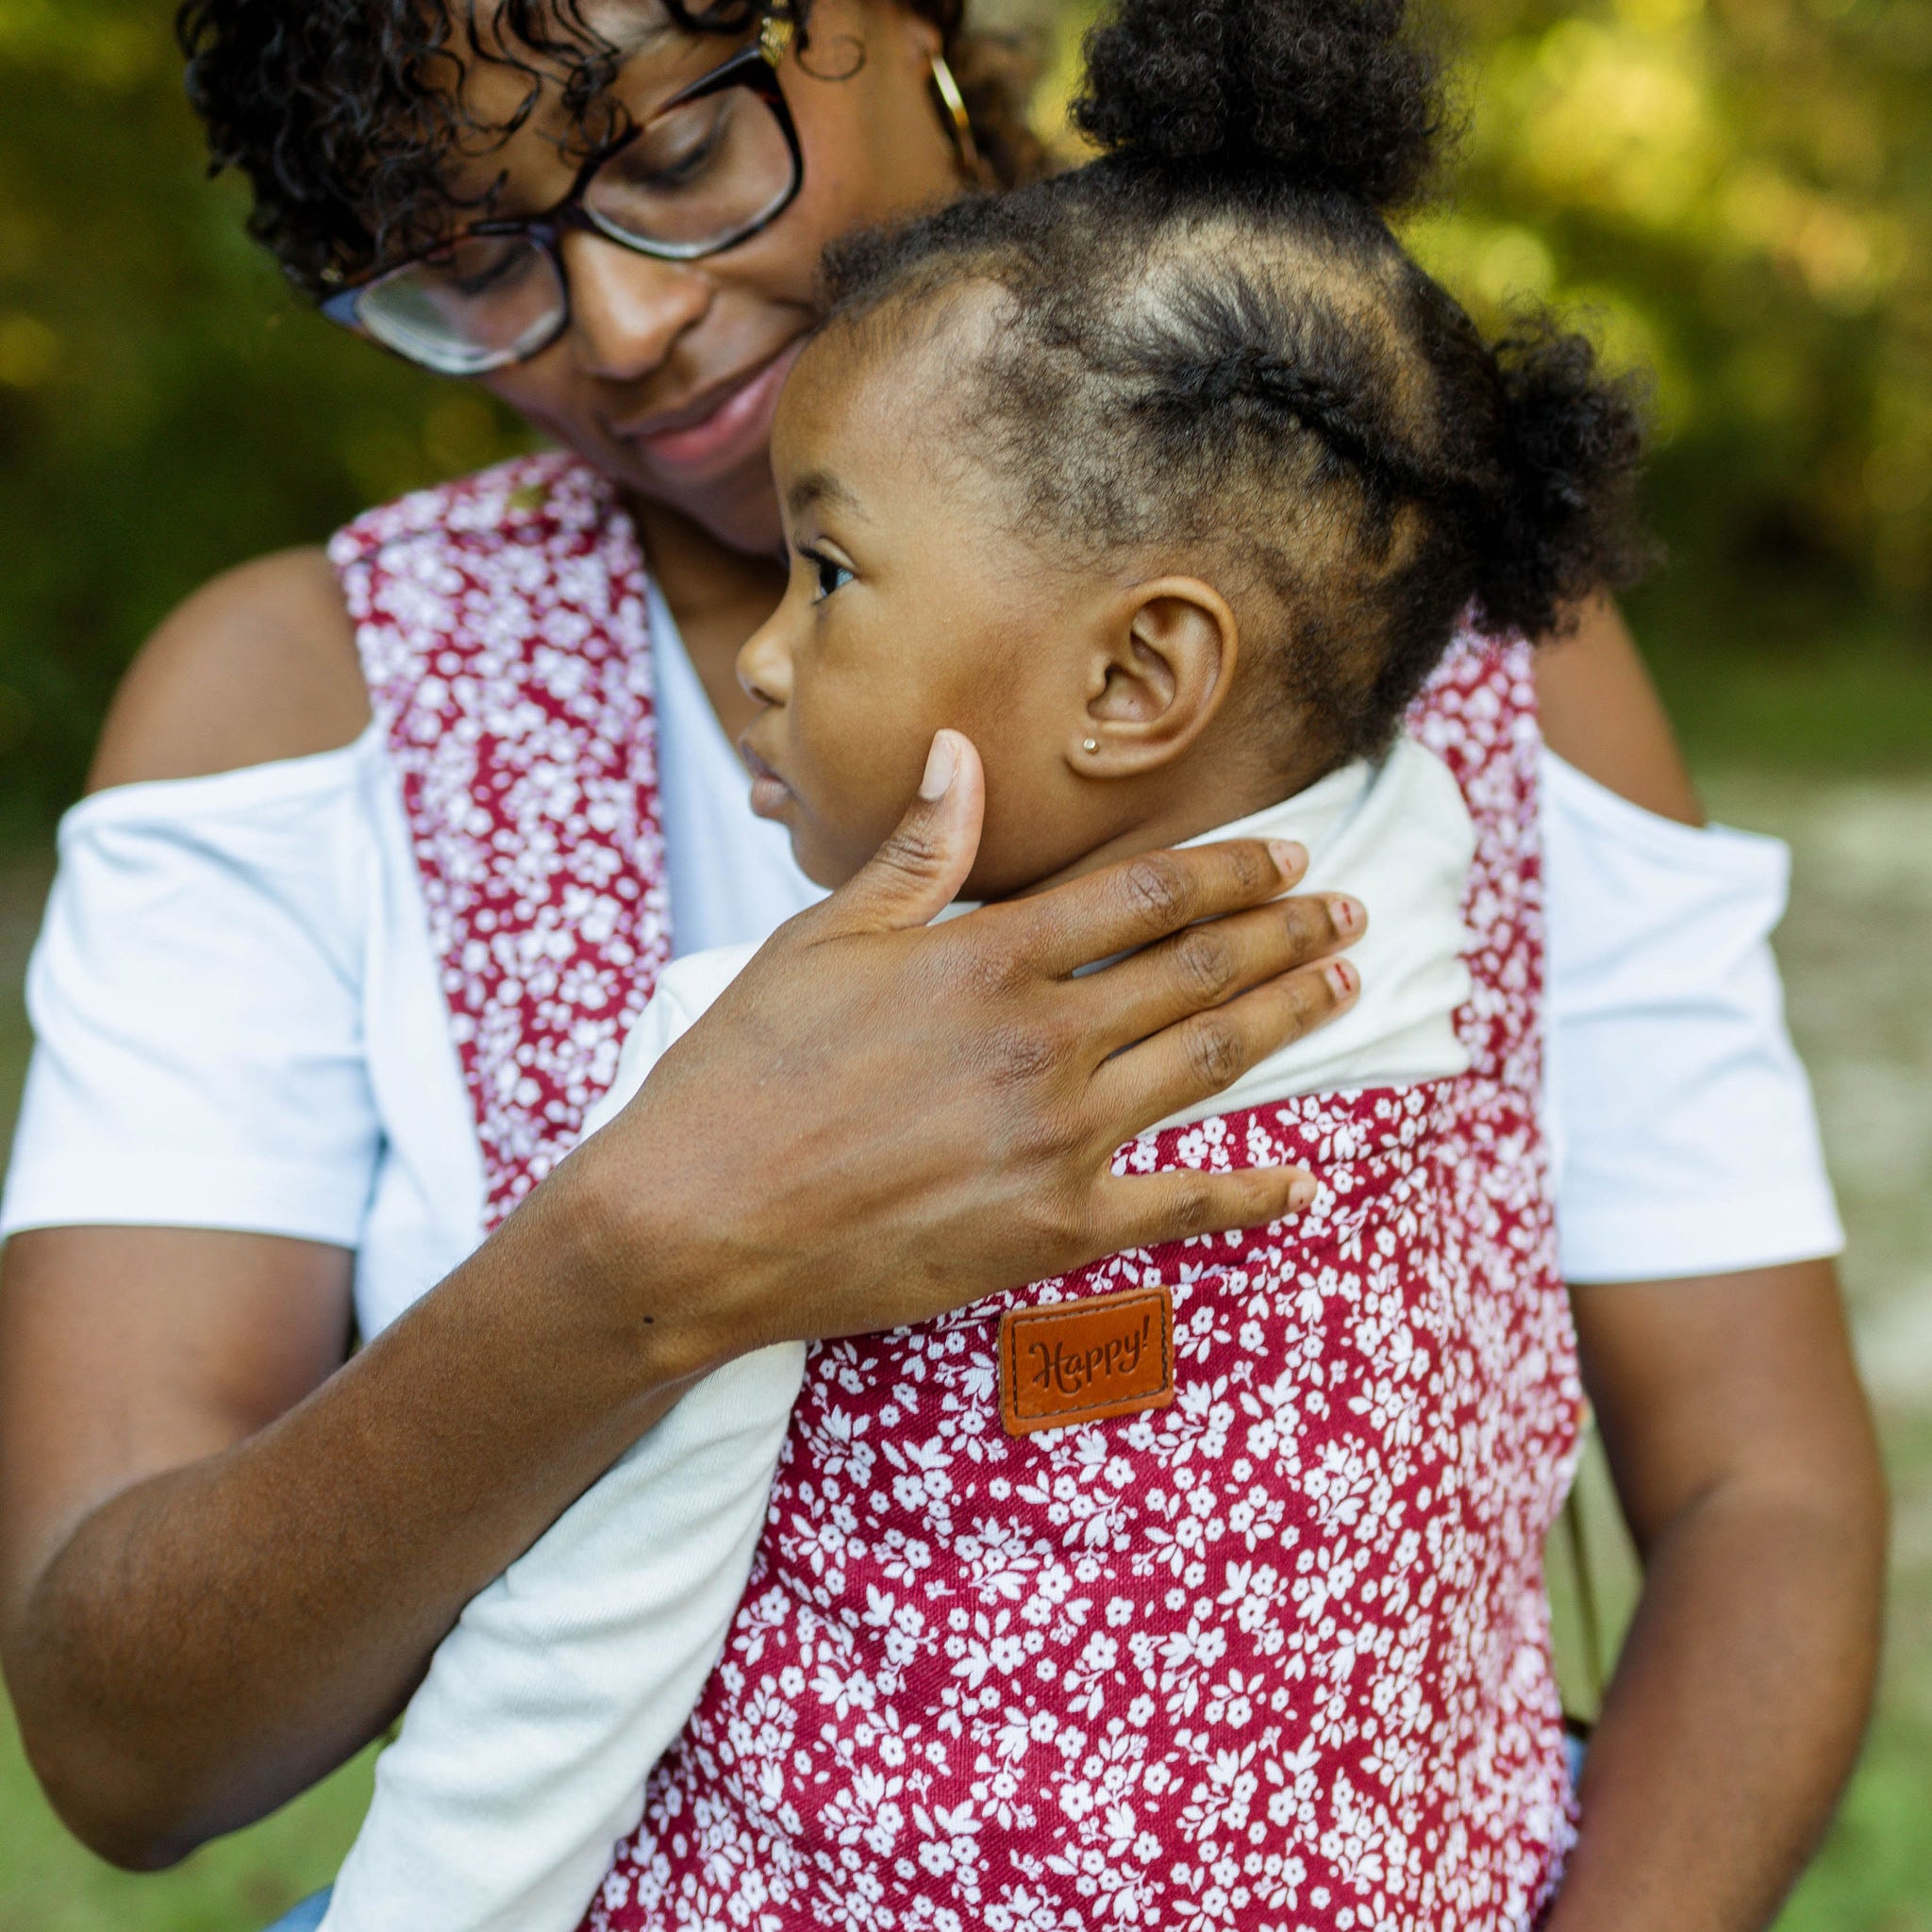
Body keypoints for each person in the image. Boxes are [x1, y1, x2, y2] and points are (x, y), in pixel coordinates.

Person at [0, 2, 1881, 1928]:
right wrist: (634, 1258)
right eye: (470, 264)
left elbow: (1765, 1495)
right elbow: (125, 1748)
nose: (622, 333)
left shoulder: (1422, 632)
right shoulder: (308, 705)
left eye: (671, 159)